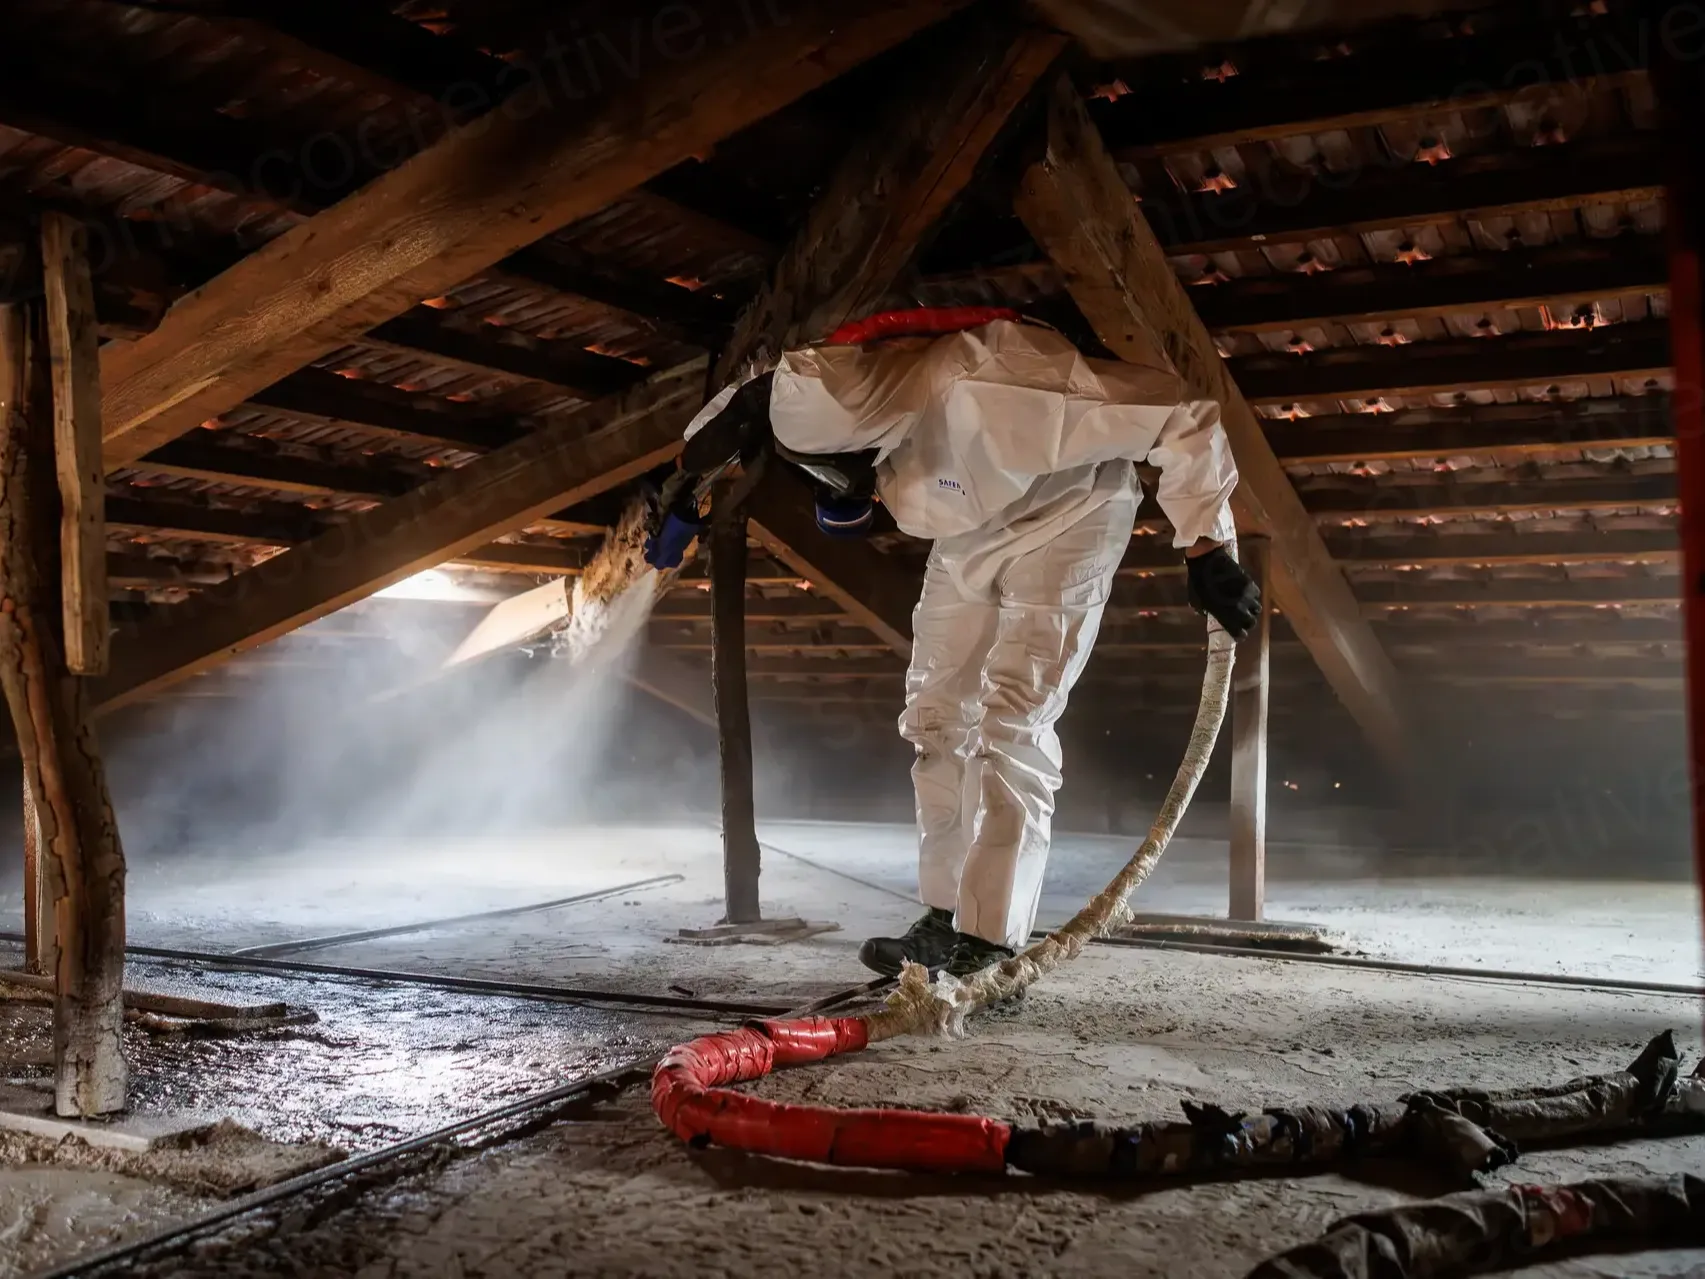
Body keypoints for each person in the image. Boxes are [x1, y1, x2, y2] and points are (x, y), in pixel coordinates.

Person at [645, 307, 1260, 978]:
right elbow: (740, 413)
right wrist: (683, 491)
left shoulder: (1006, 386)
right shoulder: (824, 401)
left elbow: (1183, 413)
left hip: (1070, 515)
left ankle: (991, 941)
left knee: (1013, 721)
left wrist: (1204, 547)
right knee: (936, 719)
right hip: (967, 529)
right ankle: (943, 917)